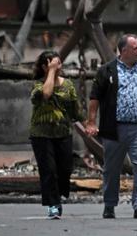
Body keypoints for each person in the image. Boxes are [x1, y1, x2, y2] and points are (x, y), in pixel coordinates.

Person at [84, 34, 137, 219]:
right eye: (136, 48)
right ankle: (110, 204)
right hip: (114, 129)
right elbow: (95, 98)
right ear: (124, 51)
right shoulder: (107, 71)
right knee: (112, 168)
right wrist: (91, 121)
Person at [30, 51, 84, 219]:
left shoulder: (68, 85)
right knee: (49, 170)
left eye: (58, 63)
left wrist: (88, 124)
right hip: (42, 134)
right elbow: (46, 95)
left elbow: (75, 110)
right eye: (53, 64)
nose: (58, 66)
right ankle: (53, 204)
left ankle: (57, 196)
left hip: (63, 133)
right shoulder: (38, 84)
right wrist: (51, 72)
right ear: (44, 67)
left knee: (65, 169)